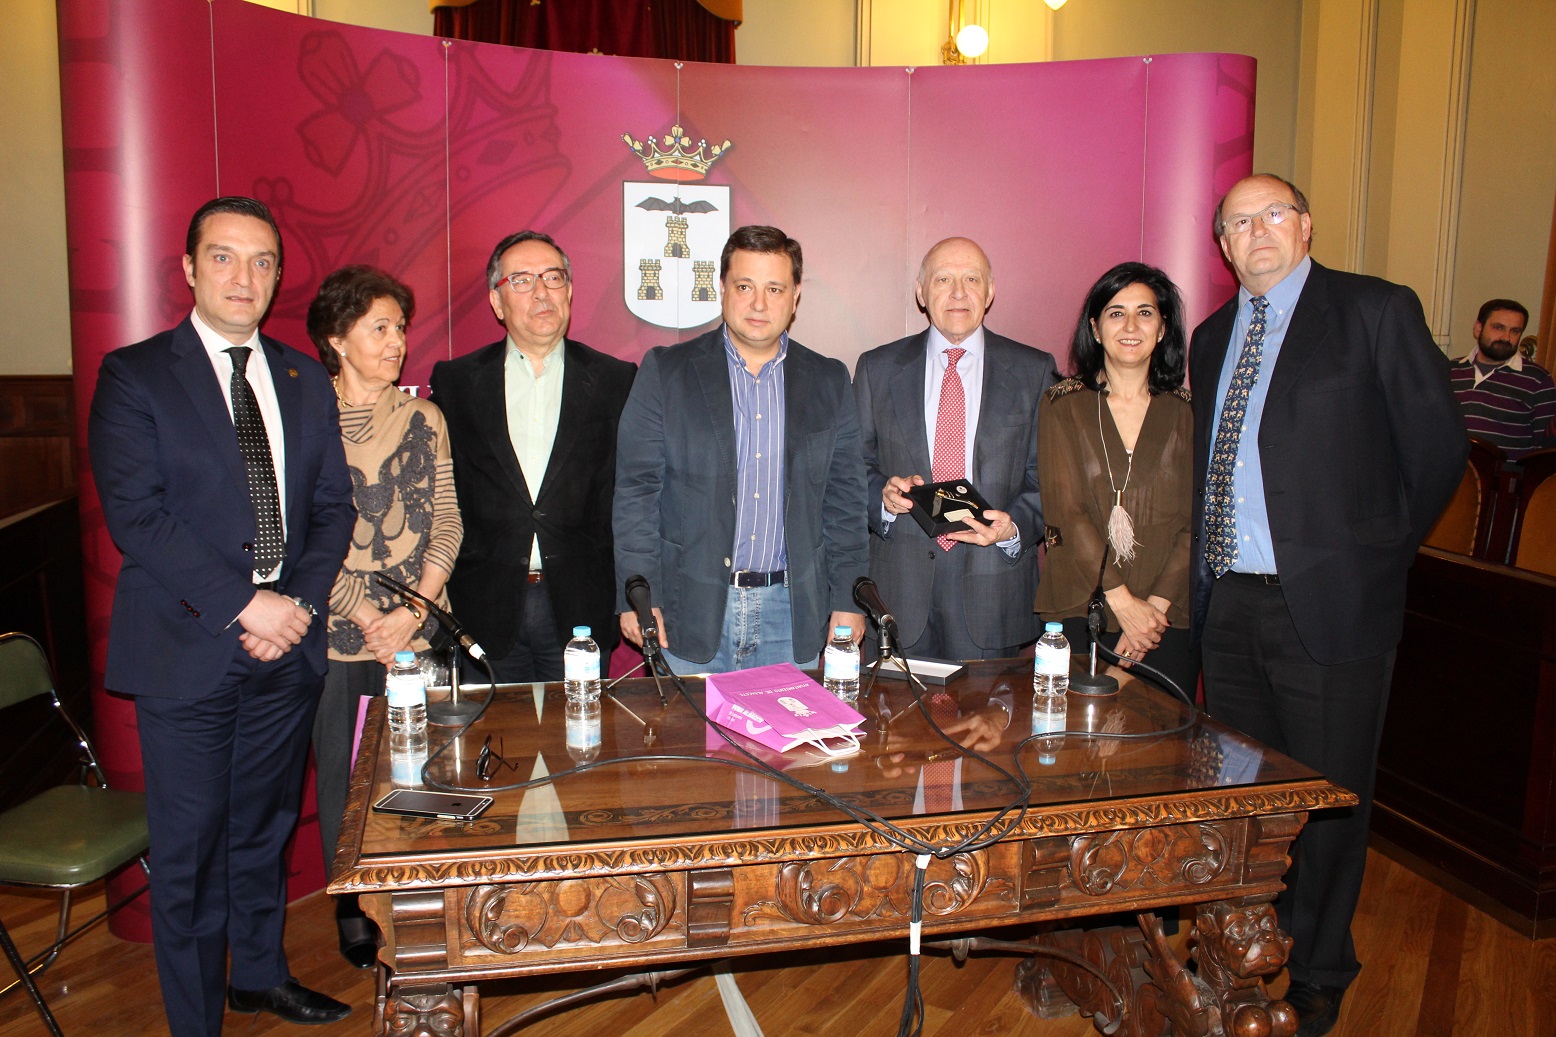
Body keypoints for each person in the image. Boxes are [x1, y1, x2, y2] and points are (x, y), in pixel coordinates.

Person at [1189, 174, 1467, 1037]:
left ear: (1305, 225)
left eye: (1272, 213)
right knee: (1246, 797)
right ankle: (1246, 946)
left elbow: (1438, 449)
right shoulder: (1210, 337)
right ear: (1224, 246)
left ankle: (1318, 966)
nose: (1256, 231)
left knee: (1332, 798)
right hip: (1230, 606)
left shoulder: (1375, 311)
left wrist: (1373, 555)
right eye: (1238, 222)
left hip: (1335, 609)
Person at [88, 197, 356, 1035]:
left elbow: (332, 507)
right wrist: (249, 604)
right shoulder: (135, 375)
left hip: (287, 649)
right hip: (188, 648)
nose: (245, 277)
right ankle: (196, 1020)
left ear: (278, 273)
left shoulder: (303, 376)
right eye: (225, 258)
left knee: (264, 831)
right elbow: (139, 517)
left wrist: (297, 607)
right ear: (190, 268)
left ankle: (261, 976)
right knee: (191, 854)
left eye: (263, 260)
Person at [614, 224, 870, 673]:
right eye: (745, 286)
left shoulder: (829, 381)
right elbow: (636, 494)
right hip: (687, 613)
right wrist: (639, 593)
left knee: (787, 746)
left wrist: (849, 598)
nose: (758, 303)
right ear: (722, 289)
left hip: (791, 616)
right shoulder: (665, 373)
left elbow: (845, 503)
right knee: (692, 746)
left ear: (795, 298)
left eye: (774, 288)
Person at [304, 265, 462, 968]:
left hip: (418, 631)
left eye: (400, 326)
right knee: (344, 780)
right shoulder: (305, 422)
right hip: (340, 637)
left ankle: (418, 901)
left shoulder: (425, 417)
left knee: (420, 775)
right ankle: (354, 913)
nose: (397, 340)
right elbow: (299, 542)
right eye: (379, 327)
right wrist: (369, 616)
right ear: (336, 339)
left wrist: (413, 612)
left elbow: (448, 525)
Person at [429, 232, 635, 682]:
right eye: (521, 281)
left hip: (581, 605)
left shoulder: (615, 380)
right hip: (485, 602)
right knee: (498, 746)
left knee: (582, 746)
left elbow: (630, 496)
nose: (542, 292)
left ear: (571, 291)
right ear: (496, 302)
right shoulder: (456, 382)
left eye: (553, 277)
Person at [853, 237, 1056, 660]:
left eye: (971, 279)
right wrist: (884, 500)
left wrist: (1014, 527)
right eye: (944, 279)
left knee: (992, 726)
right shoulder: (877, 368)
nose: (959, 292)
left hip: (993, 591)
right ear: (921, 292)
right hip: (899, 594)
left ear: (991, 291)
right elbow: (855, 465)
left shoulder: (1033, 370)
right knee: (895, 726)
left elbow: (1050, 477)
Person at [1035, 262, 1198, 698]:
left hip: (1164, 621)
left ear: (1163, 329)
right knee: (1076, 757)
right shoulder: (1062, 404)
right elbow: (1065, 515)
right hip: (1082, 607)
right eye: (1115, 312)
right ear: (1095, 326)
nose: (1130, 325)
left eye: (1145, 313)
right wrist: (1122, 603)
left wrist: (1152, 614)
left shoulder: (1186, 412)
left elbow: (1192, 524)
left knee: (1159, 757)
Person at [1449, 298, 1556, 459]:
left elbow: (1545, 449)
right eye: (1498, 328)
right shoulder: (1449, 370)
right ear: (1478, 329)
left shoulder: (1538, 380)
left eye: (1515, 331)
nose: (1506, 337)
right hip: (1447, 476)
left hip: (1504, 479)